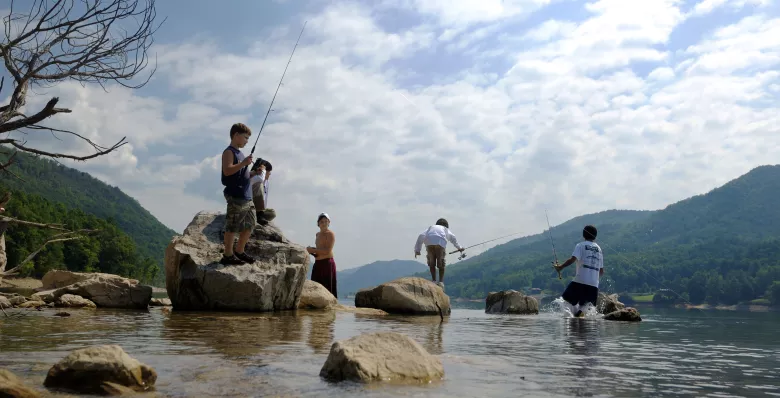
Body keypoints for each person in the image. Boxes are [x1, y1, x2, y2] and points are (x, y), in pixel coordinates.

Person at [220, 123, 262, 266]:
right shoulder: (229, 152)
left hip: (247, 196)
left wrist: (254, 172)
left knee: (250, 224)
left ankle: (239, 250)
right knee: (232, 225)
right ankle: (227, 255)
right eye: (245, 137)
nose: (247, 141)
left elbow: (242, 174)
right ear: (236, 135)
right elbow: (227, 171)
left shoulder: (241, 154)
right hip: (236, 195)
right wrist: (244, 163)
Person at [554, 225, 604, 317]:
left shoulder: (580, 245)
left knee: (566, 301)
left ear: (583, 235)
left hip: (580, 281)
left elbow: (572, 259)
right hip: (594, 285)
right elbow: (601, 271)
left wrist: (561, 267)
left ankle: (569, 315)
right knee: (585, 306)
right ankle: (580, 313)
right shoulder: (599, 249)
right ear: (595, 236)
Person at [414, 218, 464, 288]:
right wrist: (459, 248)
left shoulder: (431, 227)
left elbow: (421, 236)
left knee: (431, 263)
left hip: (429, 242)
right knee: (441, 262)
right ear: (446, 225)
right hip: (440, 242)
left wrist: (417, 250)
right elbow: (453, 238)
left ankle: (434, 280)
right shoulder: (445, 228)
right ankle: (441, 282)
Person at [307, 213, 337, 297]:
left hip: (327, 264)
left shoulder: (330, 234)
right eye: (321, 222)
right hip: (318, 264)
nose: (324, 223)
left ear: (329, 222)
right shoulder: (317, 234)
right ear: (318, 223)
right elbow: (319, 249)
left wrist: (312, 250)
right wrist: (311, 251)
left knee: (328, 291)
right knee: (315, 289)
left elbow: (327, 251)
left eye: (325, 221)